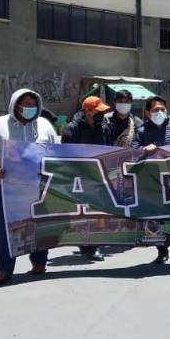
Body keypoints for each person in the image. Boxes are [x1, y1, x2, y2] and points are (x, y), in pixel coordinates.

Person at [0, 89, 60, 284]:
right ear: (15, 104)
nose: (30, 107)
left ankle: (39, 262)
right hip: (7, 187)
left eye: (33, 104)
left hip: (38, 185)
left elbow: (56, 151)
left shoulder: (44, 126)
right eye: (25, 104)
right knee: (7, 227)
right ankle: (5, 268)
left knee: (40, 223)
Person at [134, 96, 170, 269]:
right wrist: (143, 150)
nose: (159, 112)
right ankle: (162, 251)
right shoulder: (142, 131)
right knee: (159, 219)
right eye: (155, 110)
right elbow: (132, 150)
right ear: (147, 112)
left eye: (162, 109)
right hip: (155, 183)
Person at [62, 97, 112, 262]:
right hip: (79, 176)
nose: (102, 114)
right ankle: (89, 246)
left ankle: (91, 244)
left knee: (97, 211)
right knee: (83, 212)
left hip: (99, 174)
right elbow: (67, 154)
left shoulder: (103, 127)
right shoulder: (72, 128)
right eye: (99, 111)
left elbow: (109, 148)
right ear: (88, 111)